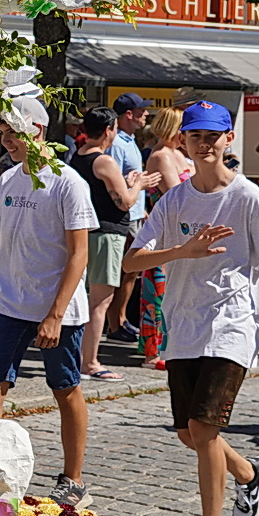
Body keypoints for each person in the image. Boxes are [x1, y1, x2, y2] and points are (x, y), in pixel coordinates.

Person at [124, 100, 259, 516]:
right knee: (190, 433)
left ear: (229, 139)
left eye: (214, 136)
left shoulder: (248, 198)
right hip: (183, 326)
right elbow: (132, 261)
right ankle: (249, 473)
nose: (205, 144)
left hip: (233, 324)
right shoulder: (175, 200)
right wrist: (182, 250)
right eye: (196, 136)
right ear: (181, 141)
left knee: (204, 430)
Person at [0, 97, 97, 507]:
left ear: (38, 131)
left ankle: (73, 478)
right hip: (10, 304)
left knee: (65, 389)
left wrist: (55, 314)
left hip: (56, 311)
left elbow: (79, 253)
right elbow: (1, 247)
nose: (7, 140)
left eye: (14, 132)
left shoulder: (67, 182)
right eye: (3, 133)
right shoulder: (8, 179)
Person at [70, 107, 160, 382]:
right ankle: (91, 362)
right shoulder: (104, 160)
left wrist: (129, 183)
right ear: (109, 130)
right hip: (106, 233)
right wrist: (140, 184)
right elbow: (126, 201)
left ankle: (81, 359)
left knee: (86, 299)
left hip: (87, 232)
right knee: (101, 300)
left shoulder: (78, 156)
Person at [138, 107, 193, 363]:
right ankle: (153, 350)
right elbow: (177, 192)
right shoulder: (161, 156)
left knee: (175, 291)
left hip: (182, 232)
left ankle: (172, 345)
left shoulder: (179, 155)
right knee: (158, 291)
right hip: (164, 231)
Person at [106, 93, 151, 344]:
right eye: (141, 110)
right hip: (125, 214)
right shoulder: (118, 144)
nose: (146, 114)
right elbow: (115, 181)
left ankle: (120, 320)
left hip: (134, 212)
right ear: (128, 115)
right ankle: (116, 322)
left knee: (131, 272)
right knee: (124, 271)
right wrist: (138, 185)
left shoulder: (129, 140)